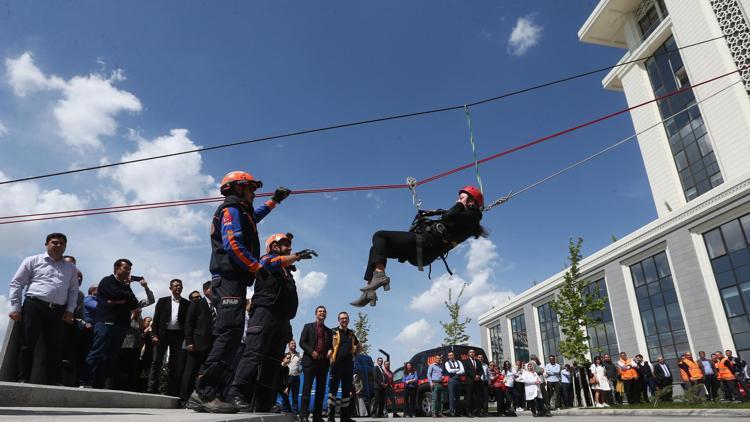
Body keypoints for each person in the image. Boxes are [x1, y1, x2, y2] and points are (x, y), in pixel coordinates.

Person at [189, 171, 291, 413]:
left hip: (233, 280)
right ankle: (204, 393)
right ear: (238, 188)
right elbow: (233, 244)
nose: (255, 193)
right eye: (251, 188)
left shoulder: (241, 211)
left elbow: (254, 217)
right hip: (227, 279)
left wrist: (274, 201)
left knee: (233, 333)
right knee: (228, 333)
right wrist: (258, 268)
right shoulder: (230, 210)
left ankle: (208, 392)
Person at [351, 186, 487, 307]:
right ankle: (370, 290)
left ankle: (380, 276)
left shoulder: (472, 217)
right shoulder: (466, 217)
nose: (458, 200)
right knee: (377, 248)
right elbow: (448, 217)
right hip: (423, 250)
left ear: (471, 201)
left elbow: (448, 216)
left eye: (462, 197)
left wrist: (460, 205)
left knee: (380, 236)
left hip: (427, 243)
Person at [230, 232, 311, 412]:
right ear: (274, 247)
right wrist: (296, 256)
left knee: (273, 362)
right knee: (253, 354)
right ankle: (236, 395)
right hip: (264, 314)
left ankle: (264, 402)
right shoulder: (267, 259)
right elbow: (268, 264)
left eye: (290, 245)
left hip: (282, 319)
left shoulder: (286, 270)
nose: (289, 247)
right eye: (285, 244)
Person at [9, 233, 79, 385]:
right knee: (28, 343)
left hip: (58, 310)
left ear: (65, 246)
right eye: (55, 242)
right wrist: (15, 307)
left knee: (55, 347)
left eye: (62, 243)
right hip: (34, 305)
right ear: (46, 244)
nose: (58, 245)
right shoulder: (32, 260)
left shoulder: (71, 268)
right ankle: (22, 378)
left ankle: (53, 381)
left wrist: (70, 310)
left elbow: (73, 290)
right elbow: (17, 283)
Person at [85, 259, 154, 389]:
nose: (128, 271)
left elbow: (133, 303)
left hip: (120, 326)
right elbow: (114, 293)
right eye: (125, 268)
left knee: (110, 357)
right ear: (116, 268)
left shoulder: (126, 286)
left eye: (129, 269)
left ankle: (98, 385)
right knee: (97, 352)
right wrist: (122, 298)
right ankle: (85, 381)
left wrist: (122, 297)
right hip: (105, 322)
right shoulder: (107, 281)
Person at [148, 279, 189, 395]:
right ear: (170, 288)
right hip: (162, 335)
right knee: (156, 362)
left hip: (178, 336)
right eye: (176, 286)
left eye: (180, 286)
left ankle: (171, 392)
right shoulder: (162, 301)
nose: (178, 287)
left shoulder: (186, 303)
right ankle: (152, 390)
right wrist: (154, 335)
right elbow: (155, 320)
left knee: (174, 364)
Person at [180, 283, 215, 404]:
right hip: (197, 343)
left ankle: (202, 397)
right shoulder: (196, 303)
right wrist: (189, 341)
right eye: (213, 288)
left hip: (213, 345)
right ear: (206, 290)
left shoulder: (218, 305)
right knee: (190, 372)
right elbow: (189, 323)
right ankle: (185, 399)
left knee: (206, 373)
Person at [300, 306, 333, 422]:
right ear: (316, 314)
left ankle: (317, 417)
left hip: (323, 364)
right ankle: (304, 416)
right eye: (320, 311)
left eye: (324, 311)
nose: (322, 313)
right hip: (310, 362)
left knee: (320, 391)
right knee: (306, 389)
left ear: (326, 314)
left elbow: (331, 346)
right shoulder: (308, 326)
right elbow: (302, 342)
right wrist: (311, 352)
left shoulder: (329, 331)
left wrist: (331, 350)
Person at [327, 311, 359, 422]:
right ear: (338, 320)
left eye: (346, 318)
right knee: (333, 391)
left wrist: (355, 353)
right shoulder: (333, 331)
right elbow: (328, 345)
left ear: (348, 320)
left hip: (348, 366)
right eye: (342, 318)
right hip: (336, 365)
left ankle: (344, 418)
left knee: (346, 392)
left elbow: (358, 346)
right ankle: (330, 417)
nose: (344, 320)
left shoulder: (351, 333)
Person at [117, 307, 148, 391]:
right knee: (123, 367)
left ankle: (131, 386)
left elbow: (142, 327)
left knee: (133, 367)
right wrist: (132, 315)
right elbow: (125, 325)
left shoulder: (138, 318)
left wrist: (138, 316)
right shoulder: (126, 316)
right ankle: (120, 385)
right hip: (125, 345)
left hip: (136, 346)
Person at [463, 349, 483, 417]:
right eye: (470, 352)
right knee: (469, 398)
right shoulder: (465, 361)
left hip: (478, 382)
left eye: (473, 352)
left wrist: (479, 376)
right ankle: (468, 412)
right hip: (469, 382)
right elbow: (467, 371)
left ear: (475, 353)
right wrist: (474, 376)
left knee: (478, 398)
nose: (472, 353)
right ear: (468, 354)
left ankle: (478, 412)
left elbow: (481, 370)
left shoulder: (478, 361)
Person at [444, 351, 465, 416]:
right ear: (448, 357)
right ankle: (451, 412)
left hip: (459, 381)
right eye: (450, 355)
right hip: (451, 380)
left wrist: (455, 371)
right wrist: (458, 370)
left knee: (458, 397)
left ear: (454, 355)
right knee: (451, 397)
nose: (451, 356)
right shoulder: (447, 363)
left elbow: (463, 370)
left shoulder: (459, 362)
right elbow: (449, 370)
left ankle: (457, 412)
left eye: (452, 355)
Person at [287, 340, 302, 414]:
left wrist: (301, 369)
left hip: (296, 378)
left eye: (295, 344)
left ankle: (295, 413)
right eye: (292, 343)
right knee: (285, 396)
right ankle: (285, 411)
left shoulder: (300, 355)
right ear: (288, 345)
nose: (294, 345)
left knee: (295, 397)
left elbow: (305, 363)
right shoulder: (285, 355)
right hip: (287, 378)